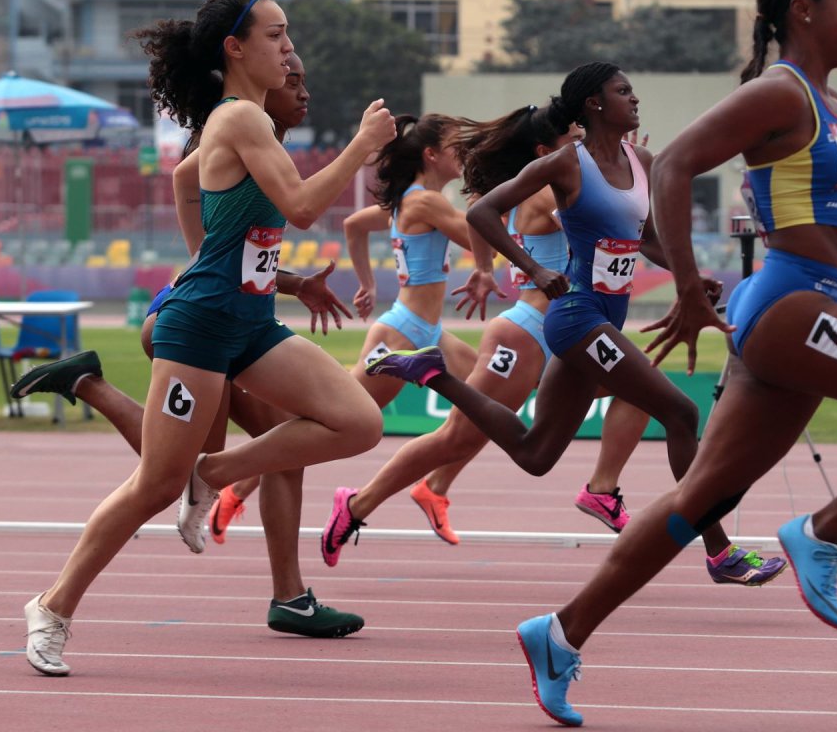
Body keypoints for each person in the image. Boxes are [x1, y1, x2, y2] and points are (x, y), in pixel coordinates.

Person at [494, 0, 837, 725]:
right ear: (802, 11)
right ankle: (822, 531)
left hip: (806, 316)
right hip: (791, 307)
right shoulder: (778, 93)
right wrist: (684, 285)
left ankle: (560, 632)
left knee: (699, 496)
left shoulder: (833, 105)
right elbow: (672, 168)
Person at [22, 0, 396, 677]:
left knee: (358, 421)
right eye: (277, 37)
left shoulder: (246, 124)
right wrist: (363, 148)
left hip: (250, 325)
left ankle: (213, 474)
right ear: (236, 48)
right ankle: (51, 607)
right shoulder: (240, 121)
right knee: (152, 486)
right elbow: (306, 207)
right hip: (198, 330)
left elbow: (184, 179)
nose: (289, 51)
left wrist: (206, 256)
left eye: (289, 37)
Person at [367, 62, 786, 589]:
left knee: (535, 453)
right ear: (593, 103)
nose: (634, 98)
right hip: (576, 316)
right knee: (680, 412)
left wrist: (689, 276)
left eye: (633, 90)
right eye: (622, 91)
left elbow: (647, 239)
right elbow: (483, 214)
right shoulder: (567, 164)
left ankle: (435, 374)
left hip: (608, 316)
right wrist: (537, 270)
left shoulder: (642, 161)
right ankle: (720, 552)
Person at [319, 106, 651, 562]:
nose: (582, 148)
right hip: (526, 334)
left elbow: (479, 210)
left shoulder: (543, 186)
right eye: (573, 139)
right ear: (543, 151)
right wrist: (631, 181)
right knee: (458, 438)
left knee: (643, 387)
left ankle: (601, 488)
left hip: (568, 332)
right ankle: (356, 505)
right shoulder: (547, 191)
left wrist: (481, 270)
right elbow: (602, 223)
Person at [316, 113, 480, 558]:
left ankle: (435, 487)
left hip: (431, 333)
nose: (462, 154)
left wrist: (367, 283)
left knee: (492, 404)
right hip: (403, 334)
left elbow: (353, 226)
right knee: (331, 425)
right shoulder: (426, 202)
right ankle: (241, 485)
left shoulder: (407, 201)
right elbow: (482, 236)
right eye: (455, 146)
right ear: (431, 155)